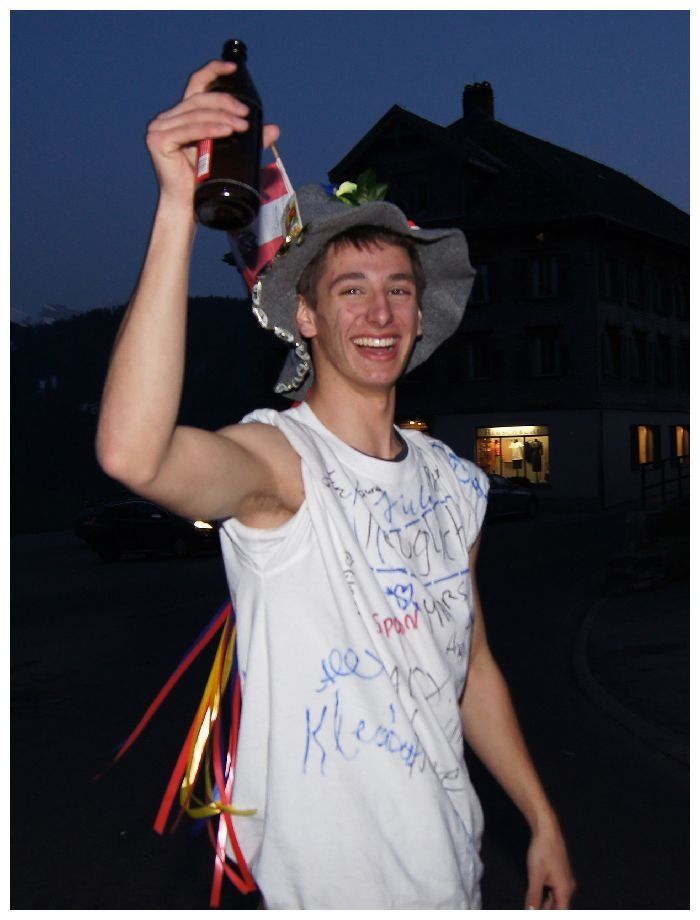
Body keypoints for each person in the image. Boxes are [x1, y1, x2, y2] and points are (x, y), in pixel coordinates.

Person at [96, 58, 575, 910]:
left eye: (398, 290)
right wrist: (176, 208)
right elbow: (136, 455)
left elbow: (471, 668)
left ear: (420, 316)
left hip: (451, 874)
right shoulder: (279, 465)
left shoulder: (456, 483)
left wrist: (541, 817)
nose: (379, 314)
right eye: (350, 291)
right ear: (307, 317)